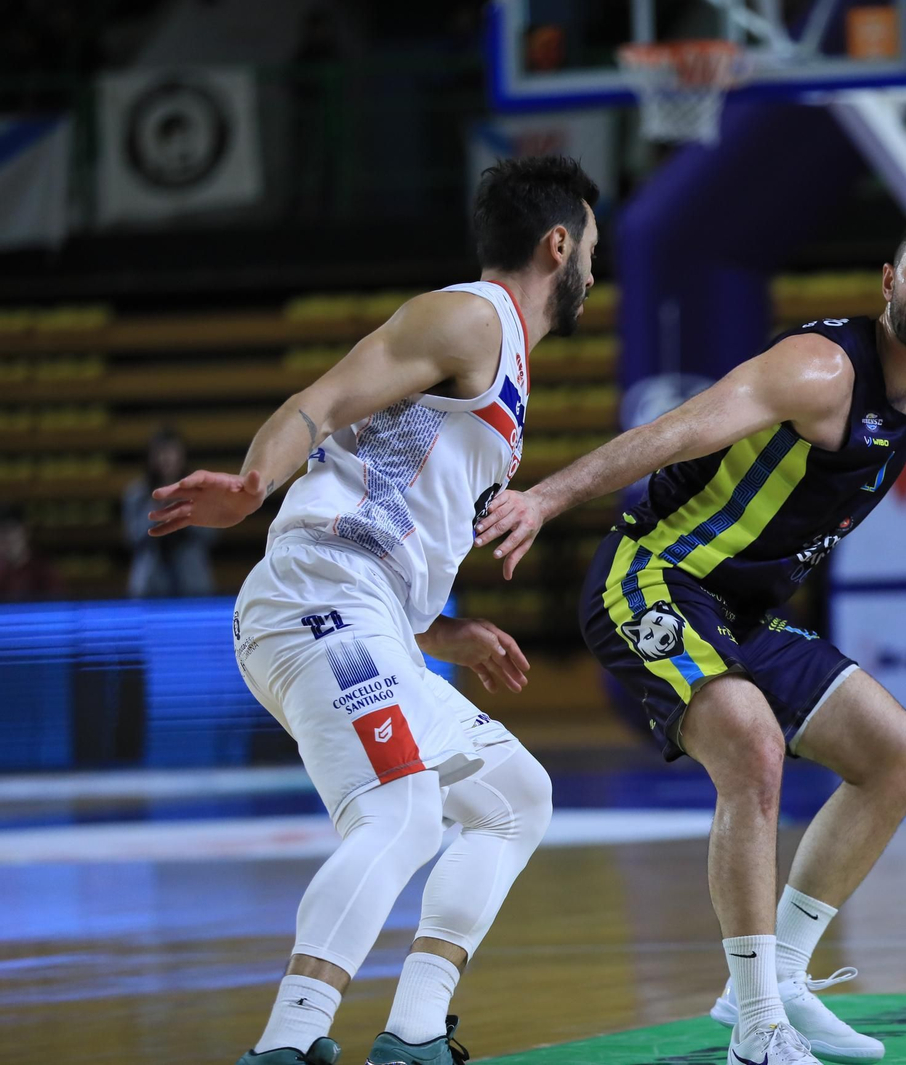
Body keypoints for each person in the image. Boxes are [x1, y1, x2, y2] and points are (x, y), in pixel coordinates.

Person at [474, 212, 906, 1065]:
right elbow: (672, 430)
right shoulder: (818, 368)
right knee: (753, 747)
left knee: (895, 754)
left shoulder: (902, 393)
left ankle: (781, 979)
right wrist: (544, 500)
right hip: (651, 577)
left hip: (739, 613)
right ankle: (757, 1027)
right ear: (889, 281)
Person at [147, 155, 600, 1065]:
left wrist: (445, 632)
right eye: (593, 246)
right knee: (402, 811)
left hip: (373, 613)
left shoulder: (502, 364)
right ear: (560, 245)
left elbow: (394, 504)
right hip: (320, 595)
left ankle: (417, 1031)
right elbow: (316, 404)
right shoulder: (471, 316)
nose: (596, 264)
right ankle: (287, 1044)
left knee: (514, 798)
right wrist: (252, 484)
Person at [124, 429, 216, 597]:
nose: (166, 459)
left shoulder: (199, 491)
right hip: (149, 582)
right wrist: (157, 508)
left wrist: (184, 509)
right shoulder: (137, 494)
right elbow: (132, 536)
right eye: (161, 452)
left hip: (193, 581)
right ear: (151, 457)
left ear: (182, 455)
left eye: (172, 452)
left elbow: (210, 535)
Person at [0, 506, 61, 599]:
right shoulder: (3, 570)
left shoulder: (42, 570)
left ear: (25, 531)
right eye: (1, 533)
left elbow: (56, 605)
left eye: (10, 531)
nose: (5, 538)